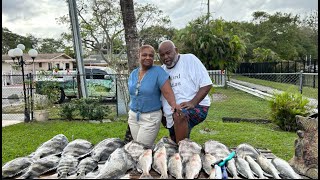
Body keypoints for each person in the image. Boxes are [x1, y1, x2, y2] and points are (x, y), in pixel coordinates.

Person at [158, 40, 213, 143]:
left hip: (197, 106)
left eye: (168, 53)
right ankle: (185, 151)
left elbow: (206, 84)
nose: (165, 57)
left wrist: (193, 102)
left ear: (176, 50)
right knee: (175, 142)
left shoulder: (189, 60)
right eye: (162, 55)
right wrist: (163, 116)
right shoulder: (161, 71)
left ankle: (182, 152)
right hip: (171, 114)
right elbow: (161, 95)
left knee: (181, 144)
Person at [127, 44, 179, 148]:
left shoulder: (158, 72)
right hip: (133, 116)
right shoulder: (133, 73)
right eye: (144, 55)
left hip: (150, 118)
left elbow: (168, 92)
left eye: (151, 55)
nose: (148, 57)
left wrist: (174, 105)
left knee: (141, 149)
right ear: (139, 56)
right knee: (137, 148)